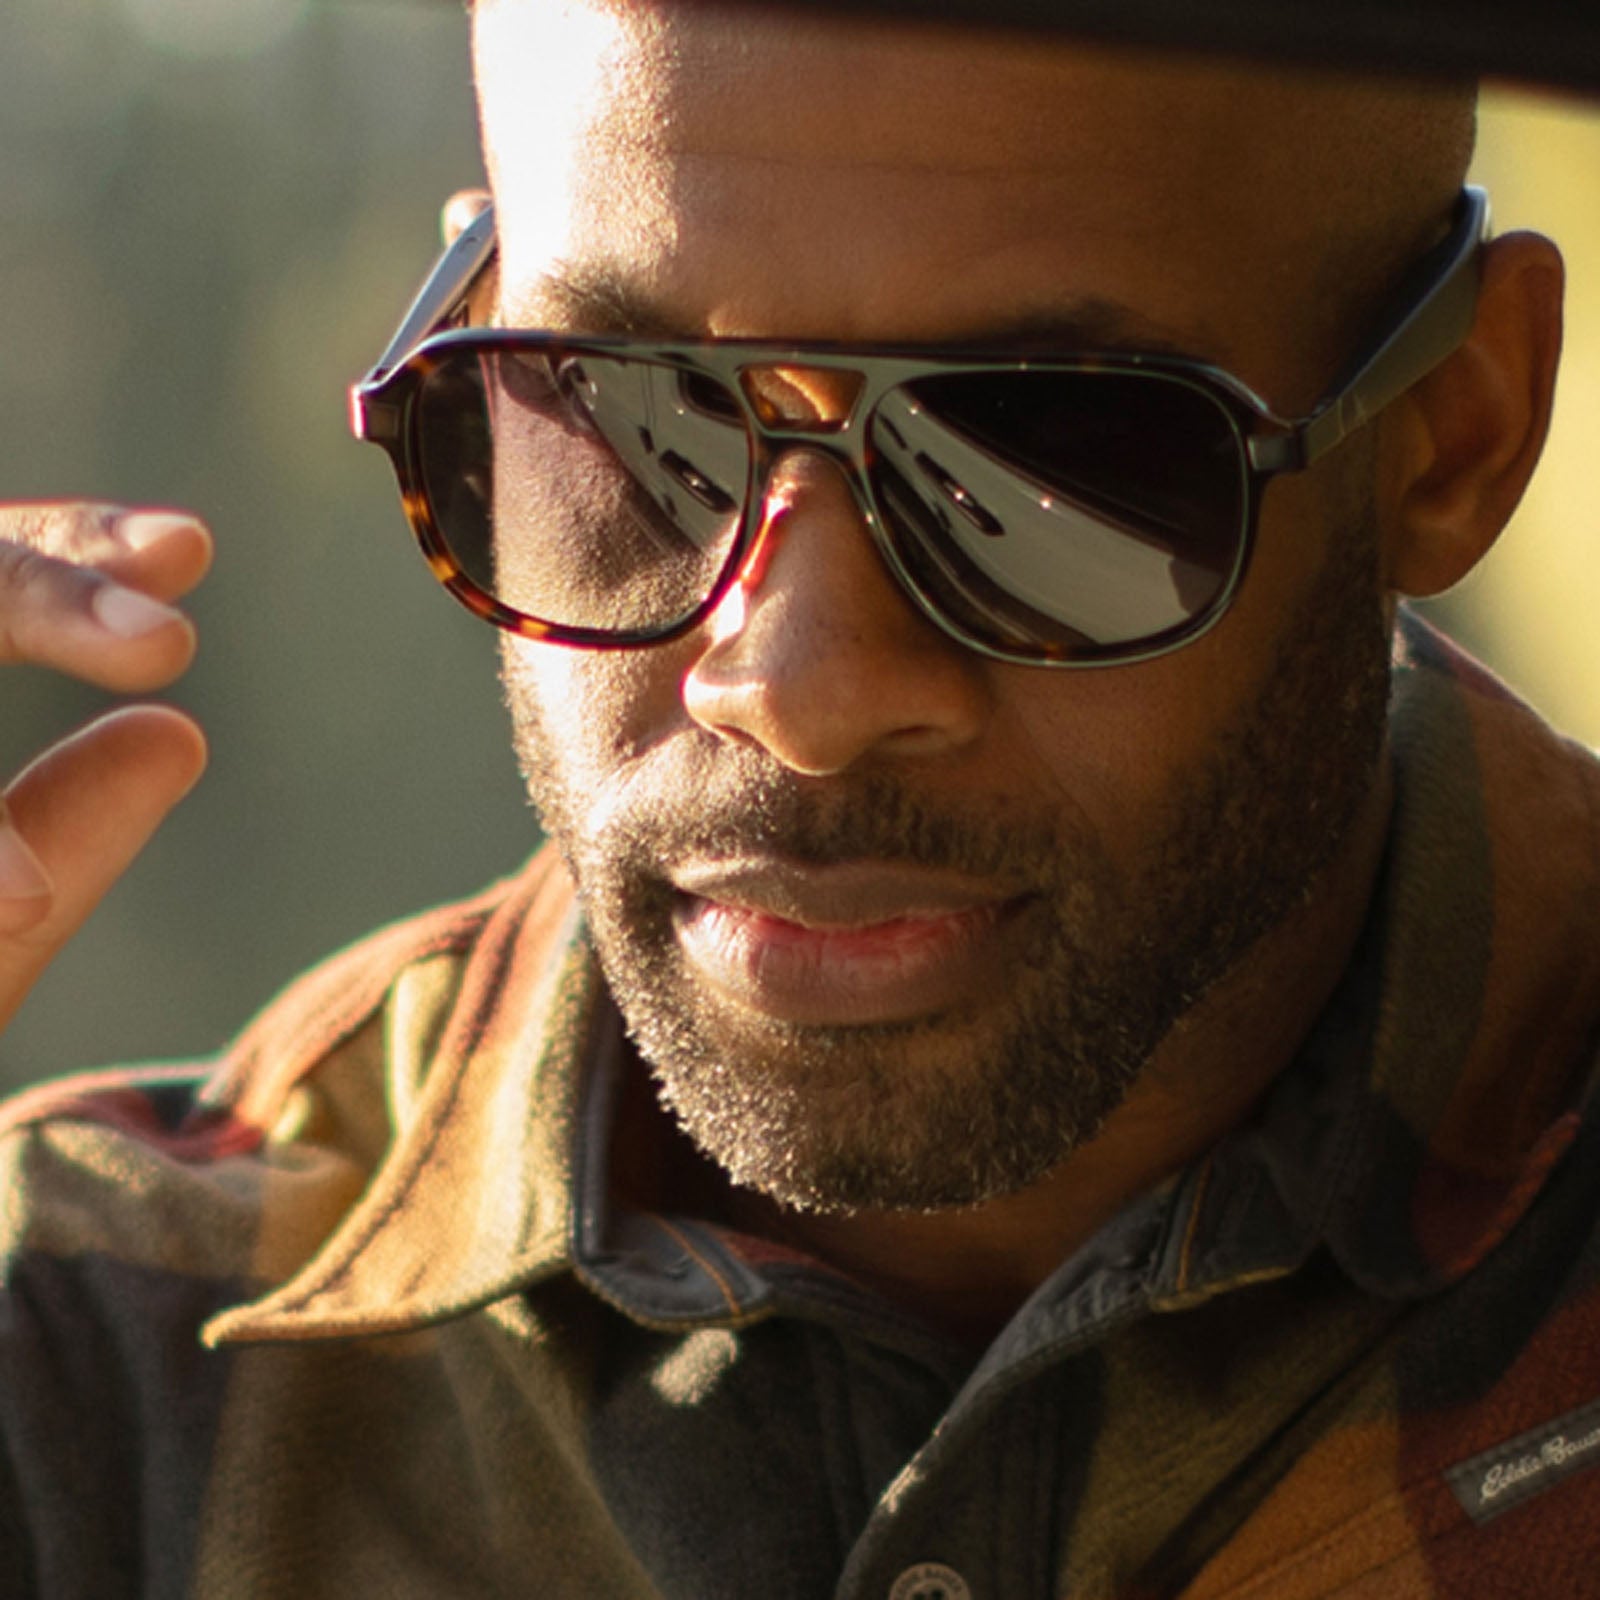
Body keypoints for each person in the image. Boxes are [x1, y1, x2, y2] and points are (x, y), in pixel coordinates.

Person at [1, 2, 1596, 1595]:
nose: (794, 688)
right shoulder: (80, 1360)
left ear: (1455, 436)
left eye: (1046, 463)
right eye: (627, 412)